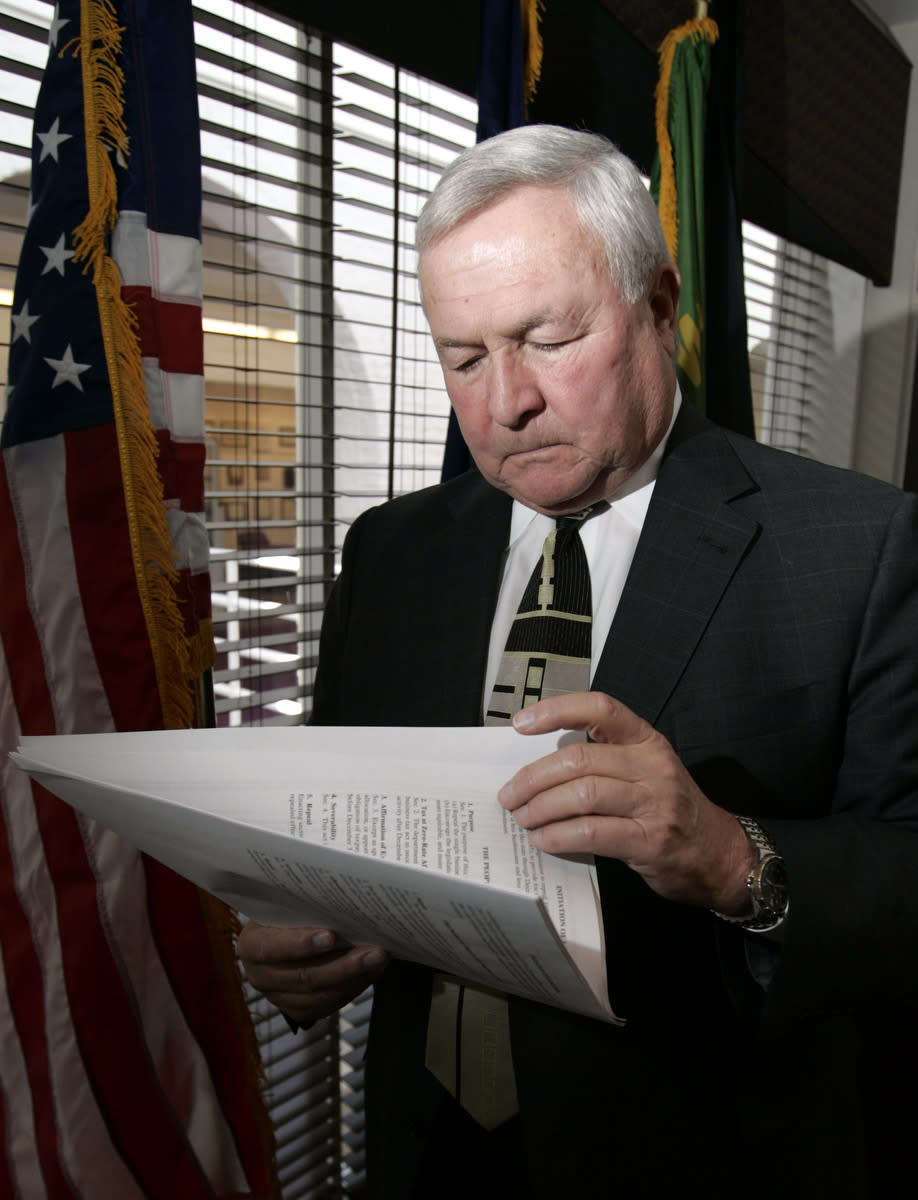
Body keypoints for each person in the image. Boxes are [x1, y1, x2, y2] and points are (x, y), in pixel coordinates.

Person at [239, 125, 918, 1198]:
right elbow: (348, 829)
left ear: (658, 303)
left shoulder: (861, 549)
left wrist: (734, 861)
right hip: (428, 1154)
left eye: (546, 338)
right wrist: (303, 949)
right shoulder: (391, 550)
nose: (503, 402)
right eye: (464, 358)